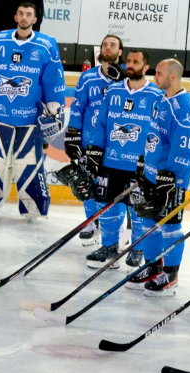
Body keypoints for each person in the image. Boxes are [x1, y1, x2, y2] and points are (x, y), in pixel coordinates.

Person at [0, 1, 65, 218]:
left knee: (28, 164)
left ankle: (34, 208)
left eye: (28, 14)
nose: (24, 18)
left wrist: (55, 108)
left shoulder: (46, 45)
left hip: (30, 119)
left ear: (35, 19)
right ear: (15, 16)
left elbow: (53, 80)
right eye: (21, 13)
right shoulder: (0, 40)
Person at [82, 49, 160, 267]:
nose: (131, 65)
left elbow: (157, 133)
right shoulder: (113, 90)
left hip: (138, 165)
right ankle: (109, 246)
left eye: (136, 62)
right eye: (128, 61)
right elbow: (102, 123)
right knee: (107, 205)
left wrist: (152, 161)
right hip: (111, 161)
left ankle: (137, 248)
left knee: (137, 208)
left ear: (146, 68)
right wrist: (96, 149)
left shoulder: (156, 95)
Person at [126, 59, 190, 295]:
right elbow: (152, 134)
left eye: (159, 73)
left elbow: (184, 148)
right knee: (148, 222)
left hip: (171, 181)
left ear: (173, 77)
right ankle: (154, 267)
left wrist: (170, 178)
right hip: (151, 173)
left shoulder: (185, 106)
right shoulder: (160, 99)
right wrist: (142, 161)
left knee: (169, 227)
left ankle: (171, 275)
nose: (154, 76)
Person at [63, 34, 122, 245]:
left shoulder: (126, 80)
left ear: (120, 52)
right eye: (105, 45)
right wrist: (73, 135)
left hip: (116, 144)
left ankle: (114, 227)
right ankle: (91, 222)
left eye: (112, 45)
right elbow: (78, 107)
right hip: (89, 141)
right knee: (86, 182)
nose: (107, 48)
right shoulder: (87, 78)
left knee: (113, 187)